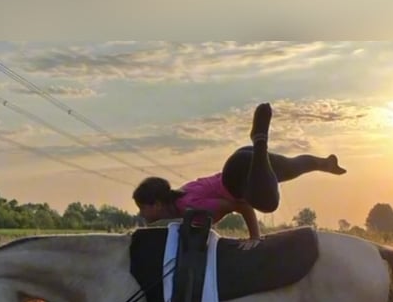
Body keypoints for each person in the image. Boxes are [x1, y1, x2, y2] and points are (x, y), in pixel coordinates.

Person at [133, 103, 346, 246]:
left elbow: (240, 205)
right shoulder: (183, 193)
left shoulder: (188, 206)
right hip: (243, 159)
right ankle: (324, 163)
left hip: (237, 176)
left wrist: (255, 238)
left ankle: (260, 139)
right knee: (292, 167)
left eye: (143, 207)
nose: (141, 213)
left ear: (157, 204)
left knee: (267, 203)